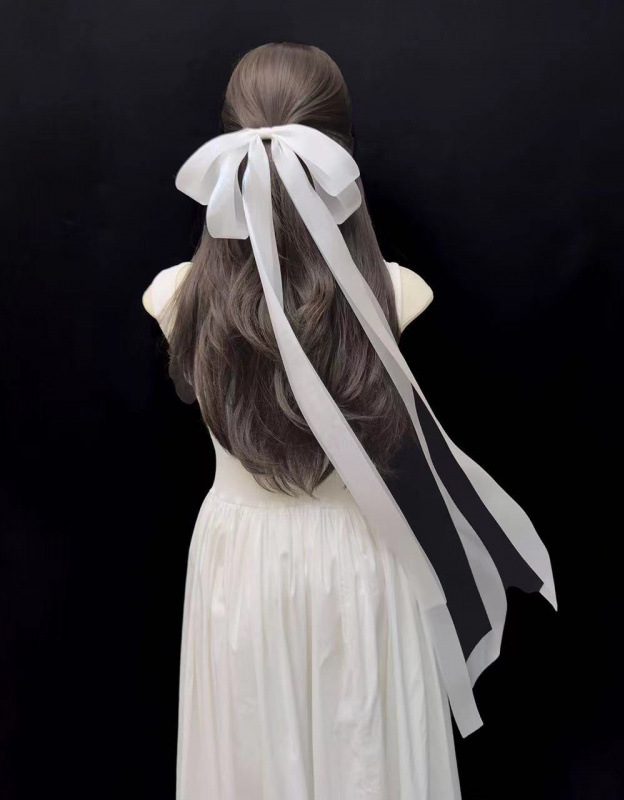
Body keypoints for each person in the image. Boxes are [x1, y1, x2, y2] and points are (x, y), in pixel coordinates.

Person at [145, 41, 555, 800]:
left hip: (244, 566)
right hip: (360, 558)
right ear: (342, 153)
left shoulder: (176, 294)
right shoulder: (393, 291)